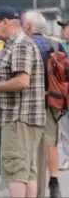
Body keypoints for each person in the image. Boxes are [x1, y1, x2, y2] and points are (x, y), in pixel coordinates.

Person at [0, 6, 46, 198]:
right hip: (24, 117)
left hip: (19, 117)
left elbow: (22, 81)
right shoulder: (17, 43)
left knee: (15, 169)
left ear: (5, 22)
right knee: (27, 169)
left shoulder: (19, 44)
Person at [22, 10, 64, 198]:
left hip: (28, 101)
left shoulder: (24, 44)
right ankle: (53, 181)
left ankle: (31, 182)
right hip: (52, 99)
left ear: (29, 27)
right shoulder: (56, 44)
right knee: (51, 142)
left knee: (29, 144)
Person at [57, 20, 69, 171]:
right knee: (65, 127)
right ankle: (68, 157)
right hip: (63, 91)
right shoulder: (60, 46)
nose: (63, 31)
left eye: (65, 28)